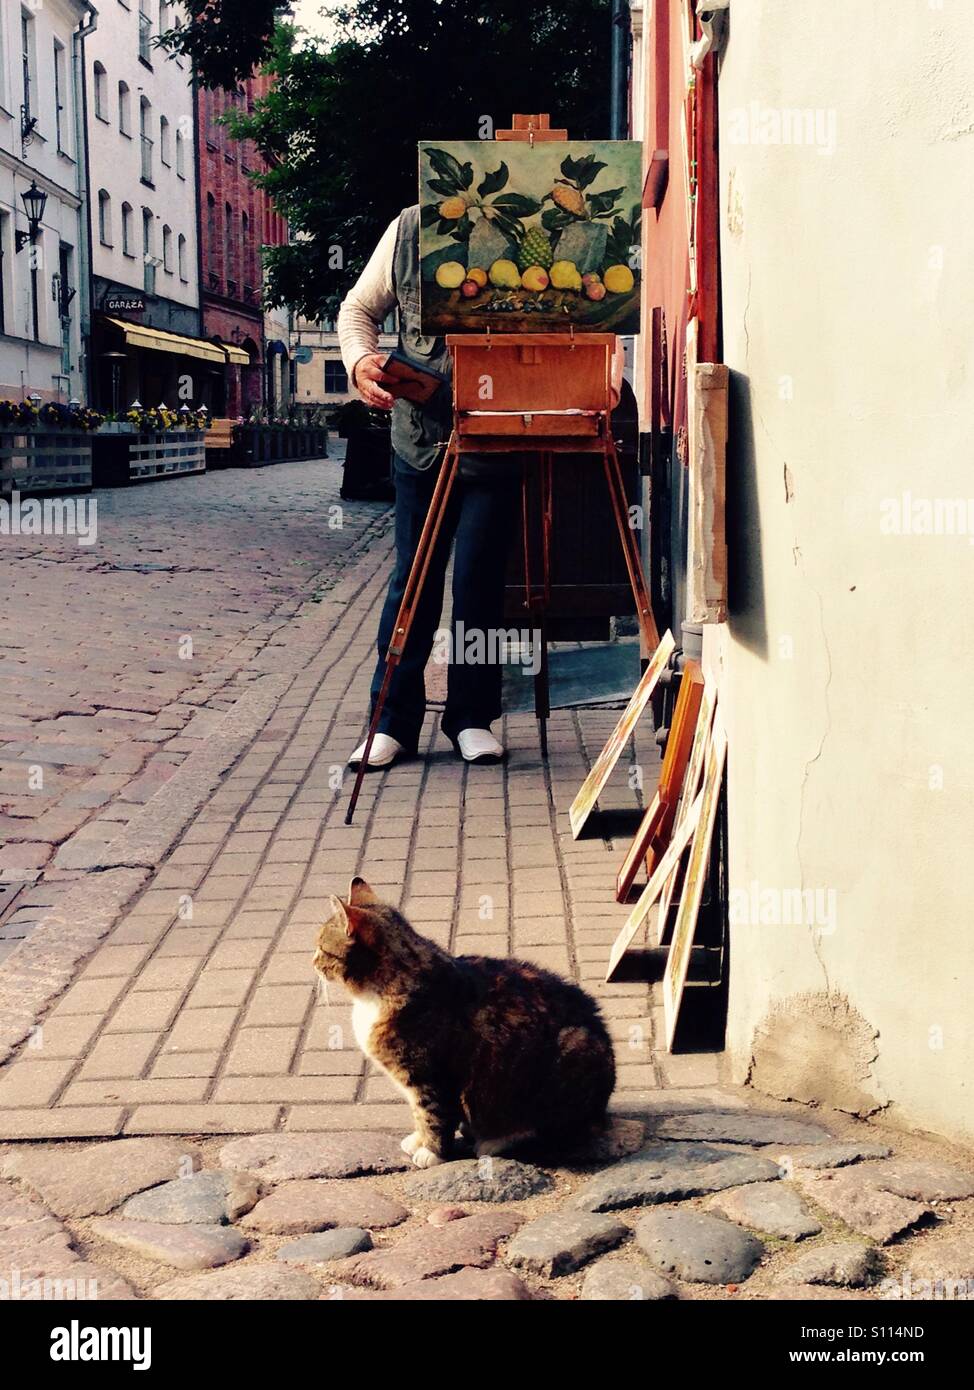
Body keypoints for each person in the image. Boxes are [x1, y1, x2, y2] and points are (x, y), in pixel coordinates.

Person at [338, 204, 623, 769]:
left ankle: (471, 717)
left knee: (480, 583)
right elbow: (357, 310)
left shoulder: (545, 233)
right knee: (411, 584)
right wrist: (359, 361)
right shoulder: (410, 228)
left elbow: (587, 324)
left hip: (498, 436)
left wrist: (597, 378)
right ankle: (390, 722)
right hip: (421, 439)